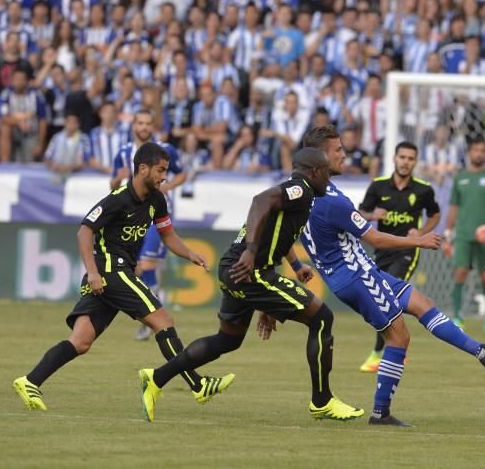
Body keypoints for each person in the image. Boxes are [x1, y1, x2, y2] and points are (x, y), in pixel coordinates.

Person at [301, 126, 485, 427]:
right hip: (357, 276)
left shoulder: (299, 195)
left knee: (422, 303)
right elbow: (375, 239)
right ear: (323, 157)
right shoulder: (333, 200)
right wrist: (418, 240)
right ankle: (381, 413)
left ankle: (482, 351)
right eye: (338, 150)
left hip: (356, 273)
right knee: (399, 337)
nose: (344, 154)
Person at [137, 147, 365, 423]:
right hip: (249, 269)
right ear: (314, 171)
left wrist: (289, 271)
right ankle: (322, 401)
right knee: (322, 317)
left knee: (228, 339)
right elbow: (259, 201)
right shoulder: (300, 189)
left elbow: (273, 231)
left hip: (236, 268)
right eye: (326, 173)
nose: (328, 179)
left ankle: (157, 377)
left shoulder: (297, 194)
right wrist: (250, 250)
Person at [12, 143, 222, 413]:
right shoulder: (117, 199)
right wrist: (93, 272)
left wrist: (190, 254)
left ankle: (30, 381)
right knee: (163, 322)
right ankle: (197, 385)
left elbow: (168, 235)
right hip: (111, 270)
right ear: (143, 168)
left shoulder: (157, 200)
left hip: (114, 274)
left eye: (166, 171)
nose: (164, 177)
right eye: (160, 170)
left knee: (81, 341)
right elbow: (84, 230)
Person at [355, 140, 442, 372]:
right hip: (381, 250)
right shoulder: (378, 186)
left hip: (406, 251)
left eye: (410, 158)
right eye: (402, 157)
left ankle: (379, 354)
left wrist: (422, 233)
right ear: (394, 159)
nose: (406, 162)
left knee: (385, 295)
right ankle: (397, 347)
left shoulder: (423, 189)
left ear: (415, 162)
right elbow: (360, 212)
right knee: (381, 299)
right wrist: (373, 214)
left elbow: (435, 214)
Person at [110, 109, 188, 341]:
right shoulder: (123, 153)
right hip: (132, 215)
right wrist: (117, 178)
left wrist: (167, 188)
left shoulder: (164, 151)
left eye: (147, 123)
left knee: (145, 264)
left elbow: (182, 174)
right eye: (140, 122)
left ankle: (152, 317)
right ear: (133, 125)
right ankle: (153, 315)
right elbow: (113, 184)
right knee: (140, 268)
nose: (143, 127)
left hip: (156, 213)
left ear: (152, 126)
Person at [444, 137, 485, 331]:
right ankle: (458, 316)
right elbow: (454, 207)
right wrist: (448, 232)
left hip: (484, 235)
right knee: (460, 273)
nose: (478, 154)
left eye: (482, 150)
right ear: (469, 153)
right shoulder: (460, 178)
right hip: (462, 234)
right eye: (475, 150)